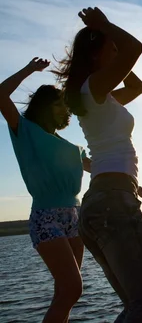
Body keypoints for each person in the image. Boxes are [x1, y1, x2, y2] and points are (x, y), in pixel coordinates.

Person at [54, 7, 142, 321]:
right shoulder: (94, 88)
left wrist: (115, 53)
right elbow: (135, 49)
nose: (116, 51)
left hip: (103, 203)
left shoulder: (101, 97)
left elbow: (137, 88)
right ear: (96, 53)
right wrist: (105, 26)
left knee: (136, 305)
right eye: (110, 47)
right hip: (113, 204)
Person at [1, 58, 89, 322]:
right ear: (43, 106)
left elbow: (99, 167)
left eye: (66, 105)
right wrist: (29, 69)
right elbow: (0, 95)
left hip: (75, 217)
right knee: (73, 289)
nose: (65, 110)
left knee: (64, 293)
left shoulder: (73, 148)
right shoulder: (24, 130)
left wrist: (131, 183)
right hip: (46, 216)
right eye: (58, 104)